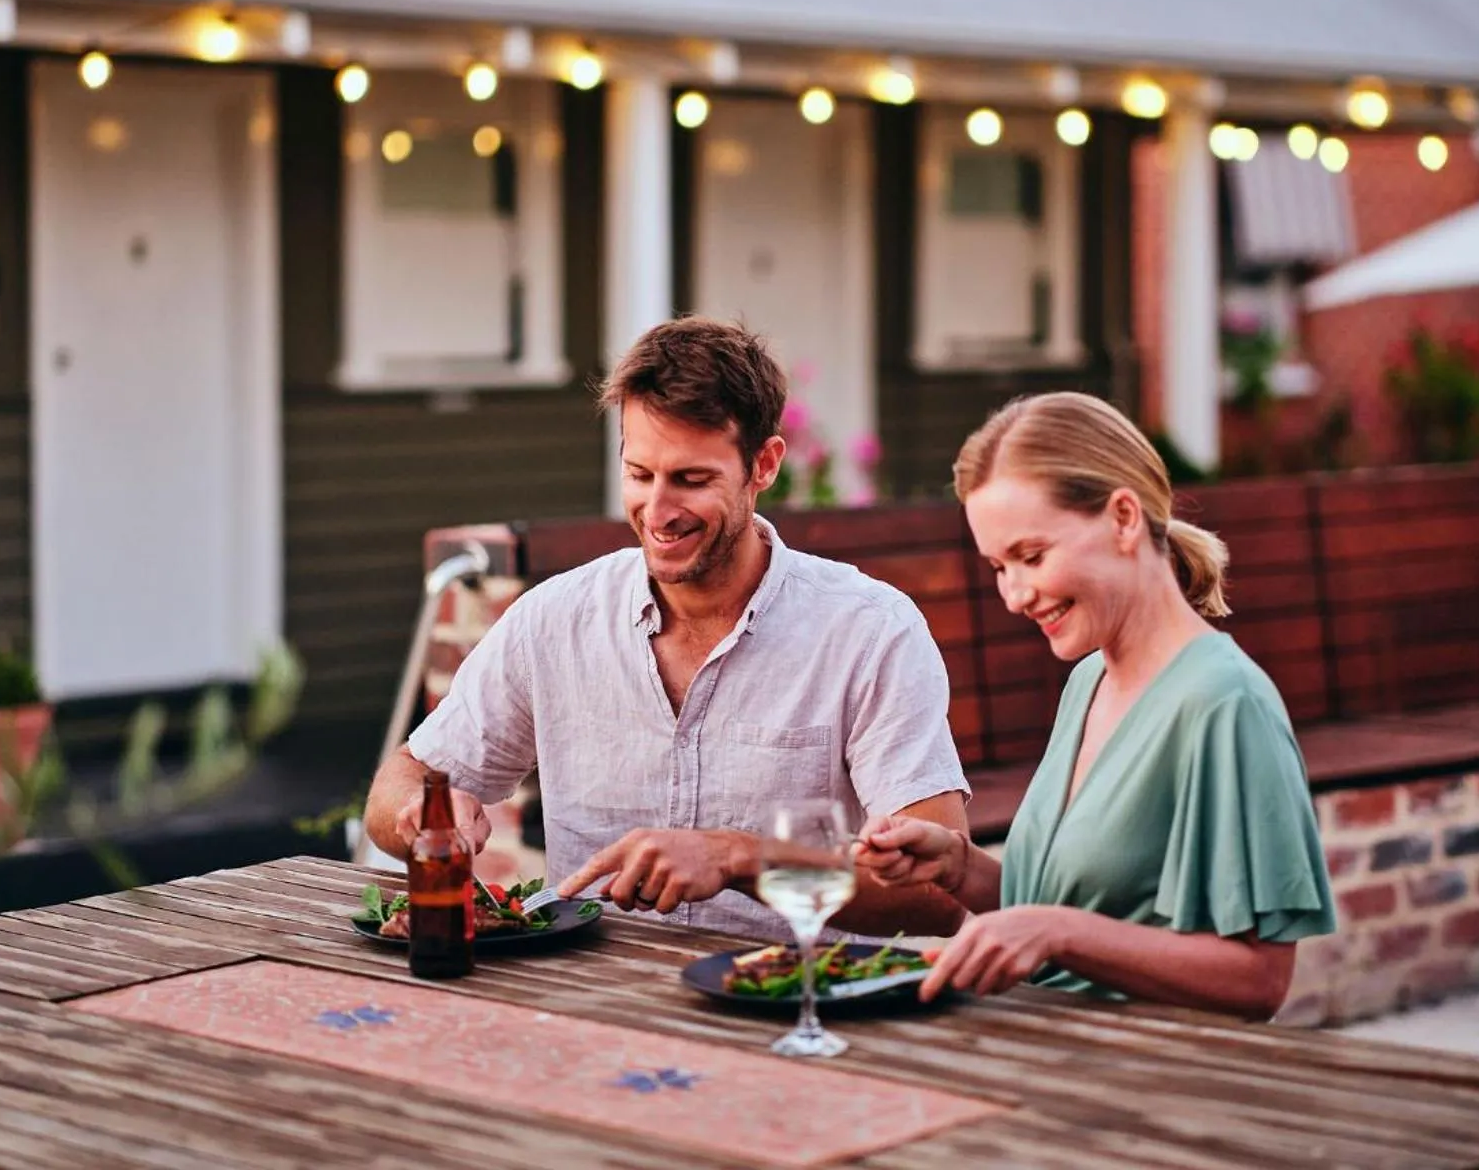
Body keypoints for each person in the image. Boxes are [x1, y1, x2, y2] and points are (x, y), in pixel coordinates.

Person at [363, 317, 970, 940]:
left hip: (786, 987)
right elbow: (400, 783)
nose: (657, 512)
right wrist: (419, 811)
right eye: (639, 474)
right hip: (585, 984)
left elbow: (936, 895)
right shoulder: (554, 618)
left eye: (691, 480)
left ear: (764, 465)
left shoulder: (869, 632)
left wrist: (740, 859)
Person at [855, 392, 1334, 1019]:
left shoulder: (1225, 702)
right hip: (1046, 1052)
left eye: (1031, 557)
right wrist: (957, 866)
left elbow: (1259, 981)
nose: (1014, 595)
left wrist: (1058, 933)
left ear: (1124, 518)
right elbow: (1070, 910)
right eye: (999, 566)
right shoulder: (1089, 681)